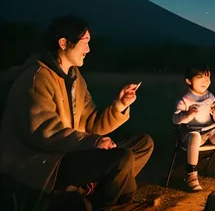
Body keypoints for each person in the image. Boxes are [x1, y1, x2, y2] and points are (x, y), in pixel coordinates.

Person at [0, 15, 153, 210]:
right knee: (122, 159)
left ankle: (92, 187)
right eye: (85, 42)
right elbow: (44, 131)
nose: (88, 49)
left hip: (75, 151)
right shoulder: (36, 78)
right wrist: (94, 142)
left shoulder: (74, 77)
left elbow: (92, 124)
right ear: (64, 43)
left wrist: (119, 105)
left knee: (142, 144)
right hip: (48, 163)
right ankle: (101, 202)